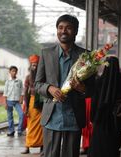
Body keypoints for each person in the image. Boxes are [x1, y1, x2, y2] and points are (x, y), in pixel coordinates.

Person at [35, 14, 87, 157]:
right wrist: (49, 88)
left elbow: (94, 89)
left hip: (74, 117)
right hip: (52, 117)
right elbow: (37, 84)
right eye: (60, 28)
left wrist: (83, 89)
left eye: (68, 28)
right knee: (50, 154)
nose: (64, 31)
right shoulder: (46, 53)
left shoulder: (85, 56)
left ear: (76, 31)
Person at [88, 57, 121, 157]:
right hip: (116, 121)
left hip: (100, 120)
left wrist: (92, 118)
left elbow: (94, 102)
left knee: (99, 146)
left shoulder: (99, 82)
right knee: (113, 147)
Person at [21, 54, 43, 155]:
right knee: (30, 125)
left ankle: (43, 146)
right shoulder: (28, 77)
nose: (35, 67)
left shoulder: (44, 76)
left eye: (36, 65)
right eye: (33, 65)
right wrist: (25, 106)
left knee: (42, 125)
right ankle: (27, 147)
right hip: (32, 102)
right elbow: (26, 92)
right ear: (30, 66)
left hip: (42, 102)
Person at [3, 66, 24, 136]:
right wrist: (5, 103)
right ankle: (11, 131)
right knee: (10, 116)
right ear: (10, 72)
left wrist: (21, 98)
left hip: (17, 101)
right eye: (12, 71)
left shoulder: (19, 81)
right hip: (9, 101)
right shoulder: (7, 82)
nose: (14, 72)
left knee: (21, 114)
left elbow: (22, 91)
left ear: (16, 72)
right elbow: (5, 92)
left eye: (15, 71)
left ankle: (19, 130)